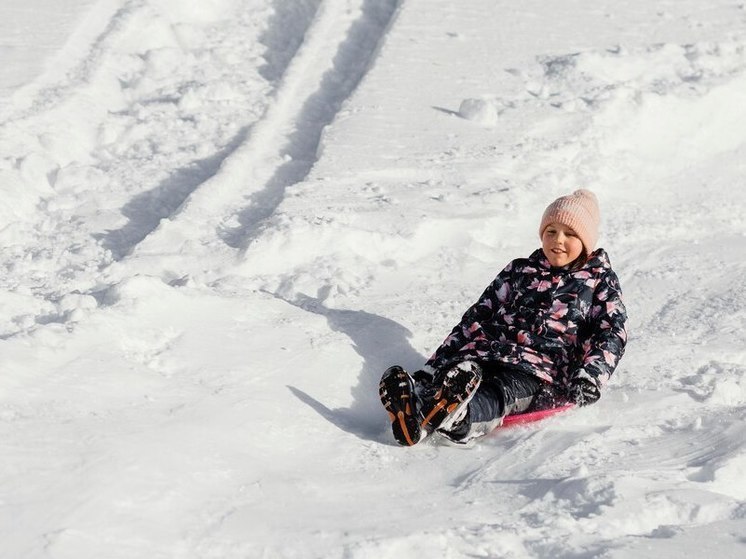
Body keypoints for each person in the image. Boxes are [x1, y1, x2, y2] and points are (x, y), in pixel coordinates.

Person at [379, 189, 627, 446]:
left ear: (586, 242)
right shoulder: (519, 270)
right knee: (456, 377)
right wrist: (434, 365)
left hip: (539, 370)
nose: (558, 240)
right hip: (486, 352)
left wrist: (590, 376)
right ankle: (417, 413)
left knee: (500, 392)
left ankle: (462, 418)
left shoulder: (598, 281)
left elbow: (611, 331)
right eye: (550, 231)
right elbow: (477, 317)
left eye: (570, 233)